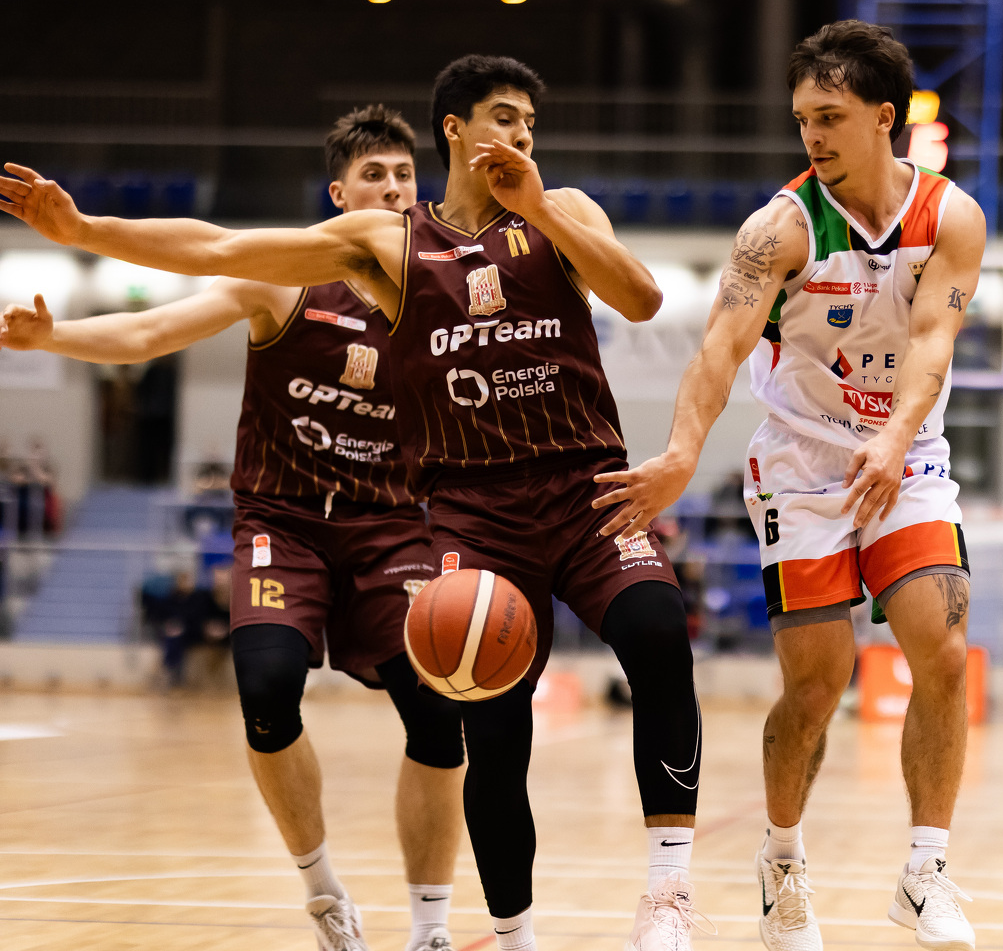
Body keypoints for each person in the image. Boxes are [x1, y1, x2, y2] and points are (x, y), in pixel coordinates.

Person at [0, 54, 706, 951]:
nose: (522, 135)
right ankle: (498, 930)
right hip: (435, 512)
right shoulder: (385, 248)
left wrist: (537, 207)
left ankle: (660, 895)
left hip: (562, 491)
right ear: (456, 129)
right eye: (504, 117)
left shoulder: (563, 210)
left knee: (656, 633)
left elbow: (642, 299)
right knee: (485, 728)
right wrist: (83, 231)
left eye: (531, 121)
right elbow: (217, 249)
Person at [0, 106, 467, 951]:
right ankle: (325, 895)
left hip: (392, 529)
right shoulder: (282, 280)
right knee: (266, 688)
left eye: (405, 175)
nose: (394, 188)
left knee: (438, 714)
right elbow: (150, 329)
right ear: (338, 196)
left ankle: (431, 928)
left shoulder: (440, 304)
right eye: (374, 175)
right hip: (284, 523)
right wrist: (54, 335)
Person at [589, 20, 986, 951]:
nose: (811, 133)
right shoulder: (779, 229)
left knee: (942, 648)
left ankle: (925, 872)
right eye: (803, 116)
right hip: (803, 467)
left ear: (884, 117)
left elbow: (933, 340)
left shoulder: (950, 218)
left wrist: (894, 438)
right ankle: (781, 863)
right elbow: (719, 350)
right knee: (817, 686)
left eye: (830, 116)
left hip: (907, 454)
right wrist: (682, 453)